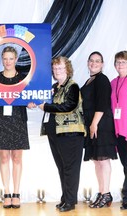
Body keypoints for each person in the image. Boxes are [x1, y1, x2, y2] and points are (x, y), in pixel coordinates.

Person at [29, 56, 85, 212]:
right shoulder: (54, 87)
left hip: (70, 133)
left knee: (70, 168)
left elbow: (69, 106)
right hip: (55, 133)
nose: (57, 70)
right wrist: (35, 103)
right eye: (55, 68)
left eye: (60, 68)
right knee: (62, 167)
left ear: (67, 69)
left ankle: (70, 201)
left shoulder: (72, 86)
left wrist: (45, 107)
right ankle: (65, 198)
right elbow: (44, 101)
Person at [0, 46, 30, 209]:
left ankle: (16, 193)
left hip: (18, 120)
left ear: (16, 59)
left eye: (10, 58)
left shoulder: (24, 79)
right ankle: (6, 192)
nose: (8, 61)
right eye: (5, 58)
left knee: (17, 158)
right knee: (4, 158)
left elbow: (30, 98)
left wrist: (31, 102)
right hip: (1, 120)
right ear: (2, 59)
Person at [81, 51, 117, 208]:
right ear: (88, 63)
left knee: (103, 160)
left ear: (102, 64)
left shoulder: (102, 79)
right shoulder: (90, 80)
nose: (94, 63)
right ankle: (102, 192)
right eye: (91, 61)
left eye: (97, 61)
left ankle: (107, 193)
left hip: (101, 124)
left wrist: (94, 123)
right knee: (97, 161)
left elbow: (102, 103)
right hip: (92, 124)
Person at [110, 51, 127, 210]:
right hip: (118, 132)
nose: (120, 65)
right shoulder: (113, 82)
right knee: (125, 166)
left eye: (123, 62)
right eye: (118, 62)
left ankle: (126, 198)